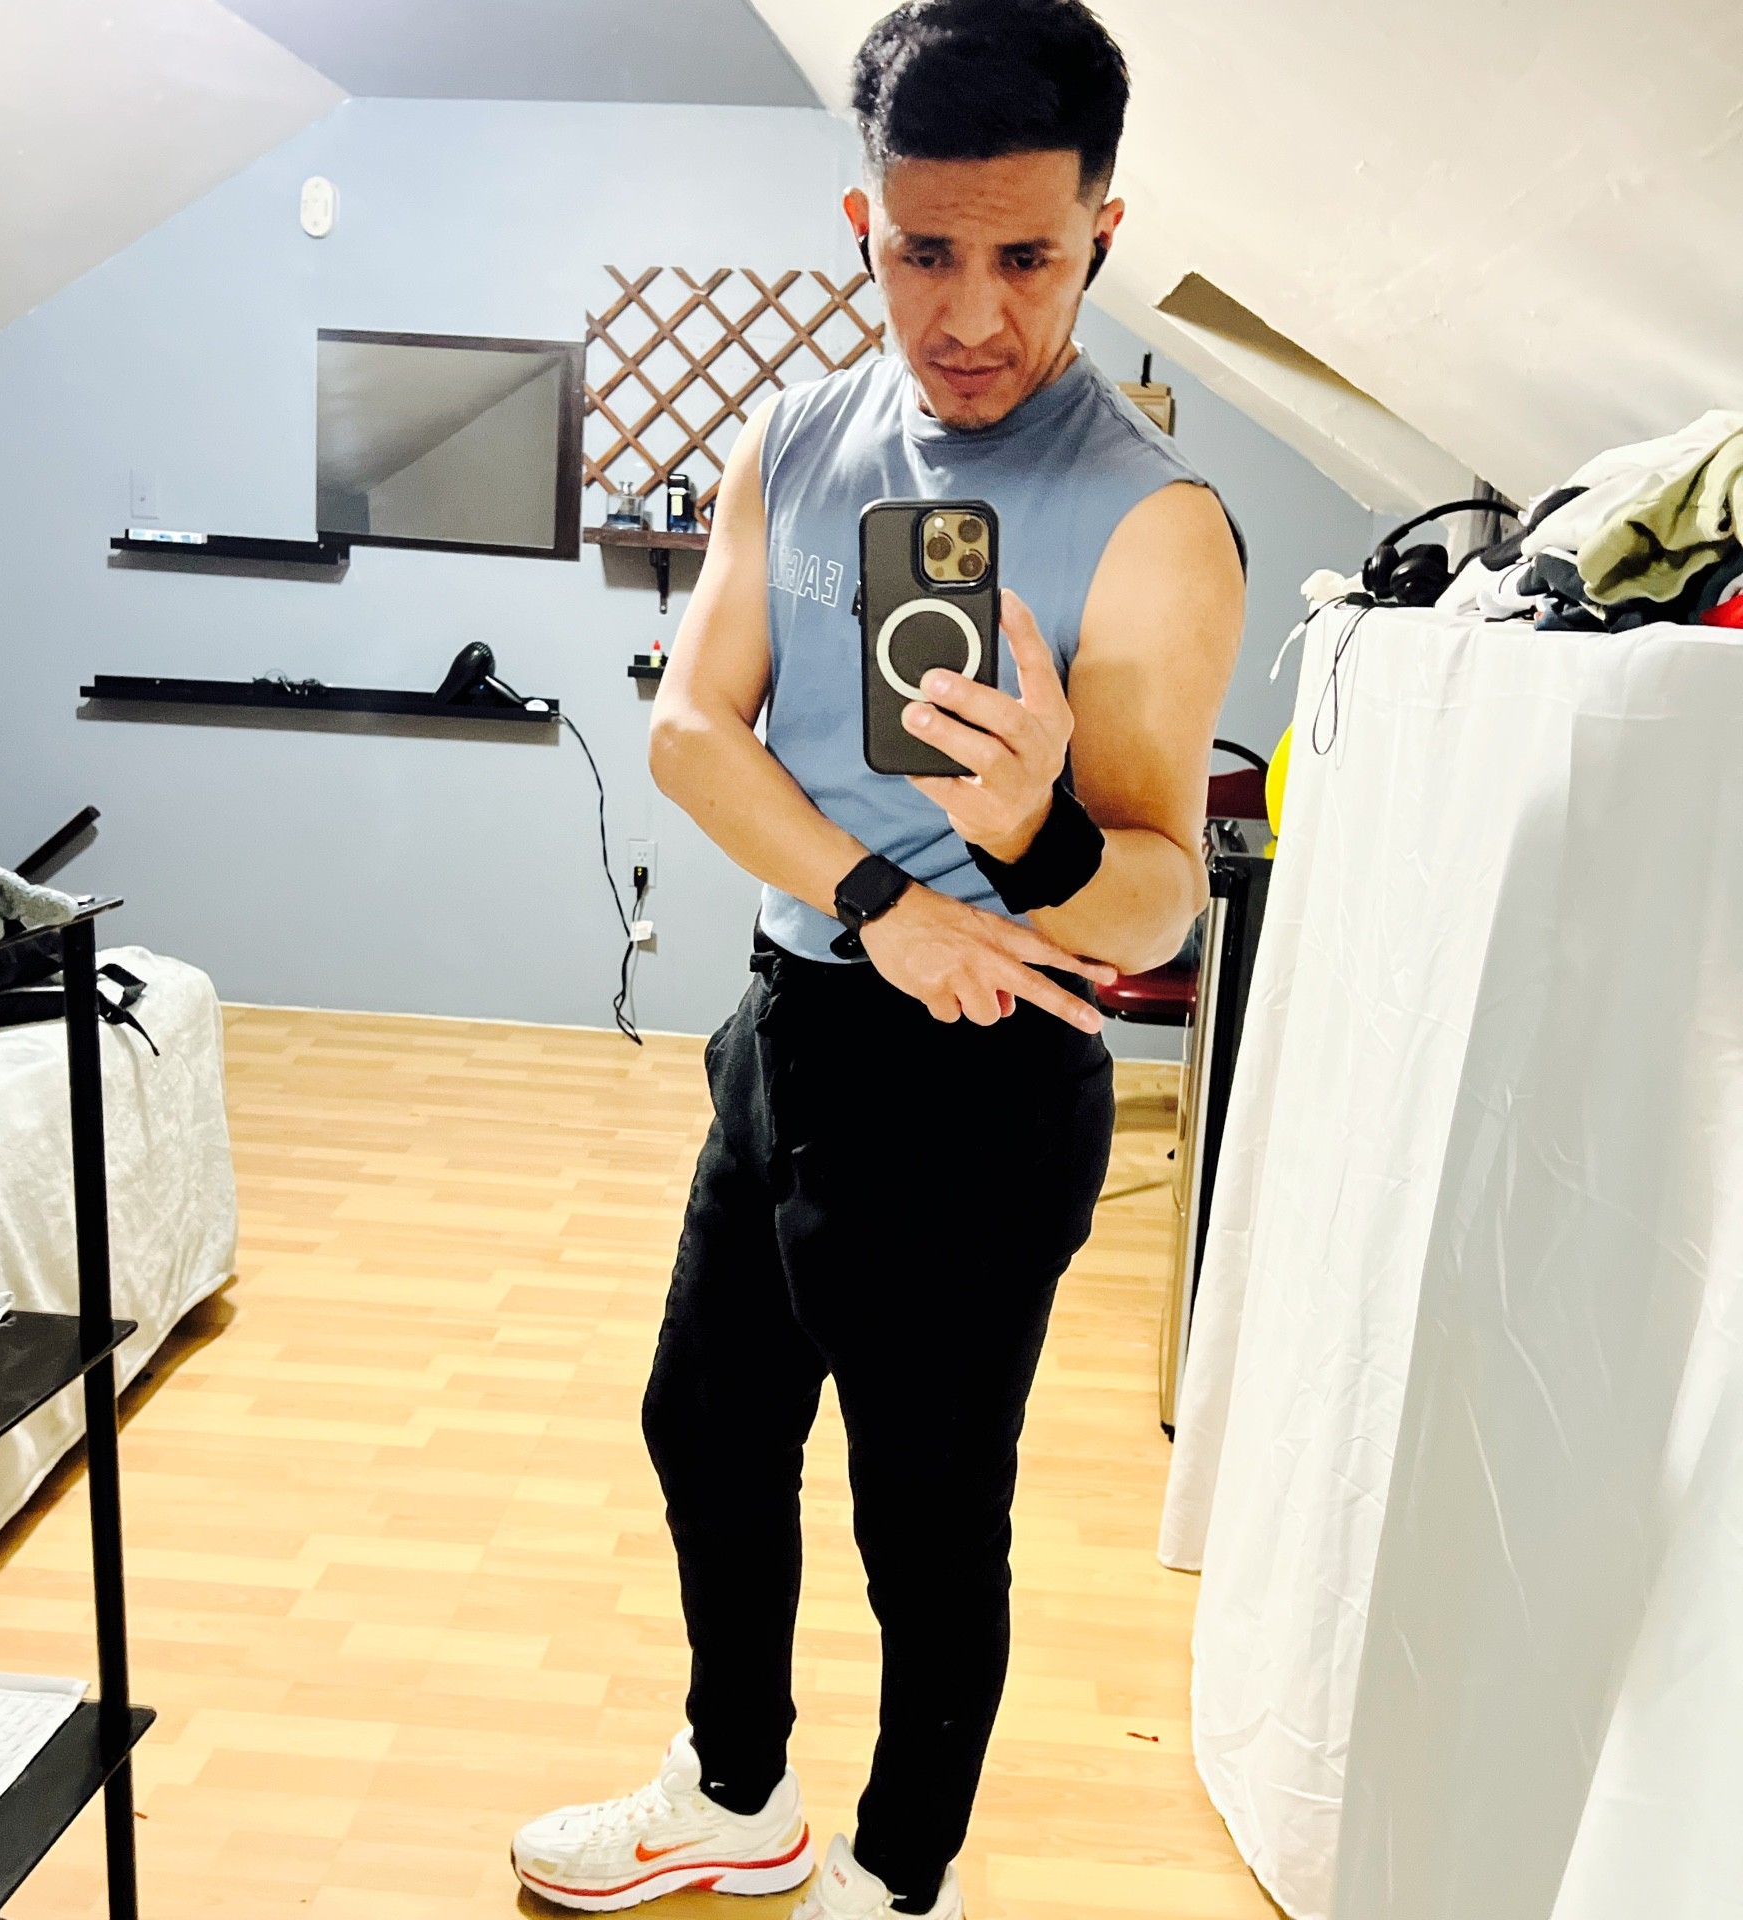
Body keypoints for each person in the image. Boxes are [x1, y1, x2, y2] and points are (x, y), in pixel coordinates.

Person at [511, 1, 1245, 1913]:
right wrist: (882, 901)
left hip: (983, 1084)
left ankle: (899, 1879)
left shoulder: (1155, 524)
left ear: (1100, 230)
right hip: (792, 1027)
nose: (973, 315)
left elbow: (1160, 897)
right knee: (705, 1428)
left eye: (1029, 259)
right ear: (866, 224)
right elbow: (692, 731)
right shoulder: (796, 434)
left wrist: (1037, 835)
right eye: (926, 252)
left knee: (923, 1520)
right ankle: (734, 1793)